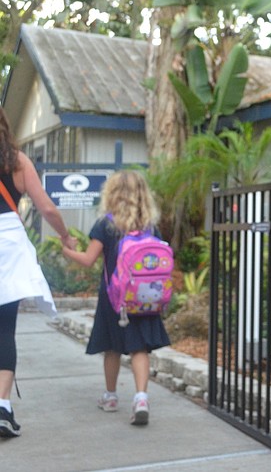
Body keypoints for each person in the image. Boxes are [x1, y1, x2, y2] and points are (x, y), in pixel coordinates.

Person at [62, 170, 170, 426]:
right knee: (139, 347)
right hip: (146, 297)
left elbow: (88, 260)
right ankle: (141, 398)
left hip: (114, 297)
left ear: (112, 193)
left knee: (112, 347)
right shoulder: (150, 226)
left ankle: (110, 397)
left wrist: (68, 251)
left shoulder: (106, 224)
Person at [0, 107, 76, 438]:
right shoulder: (16, 160)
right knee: (4, 327)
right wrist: (64, 235)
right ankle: (1, 405)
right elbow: (46, 207)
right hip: (8, 245)